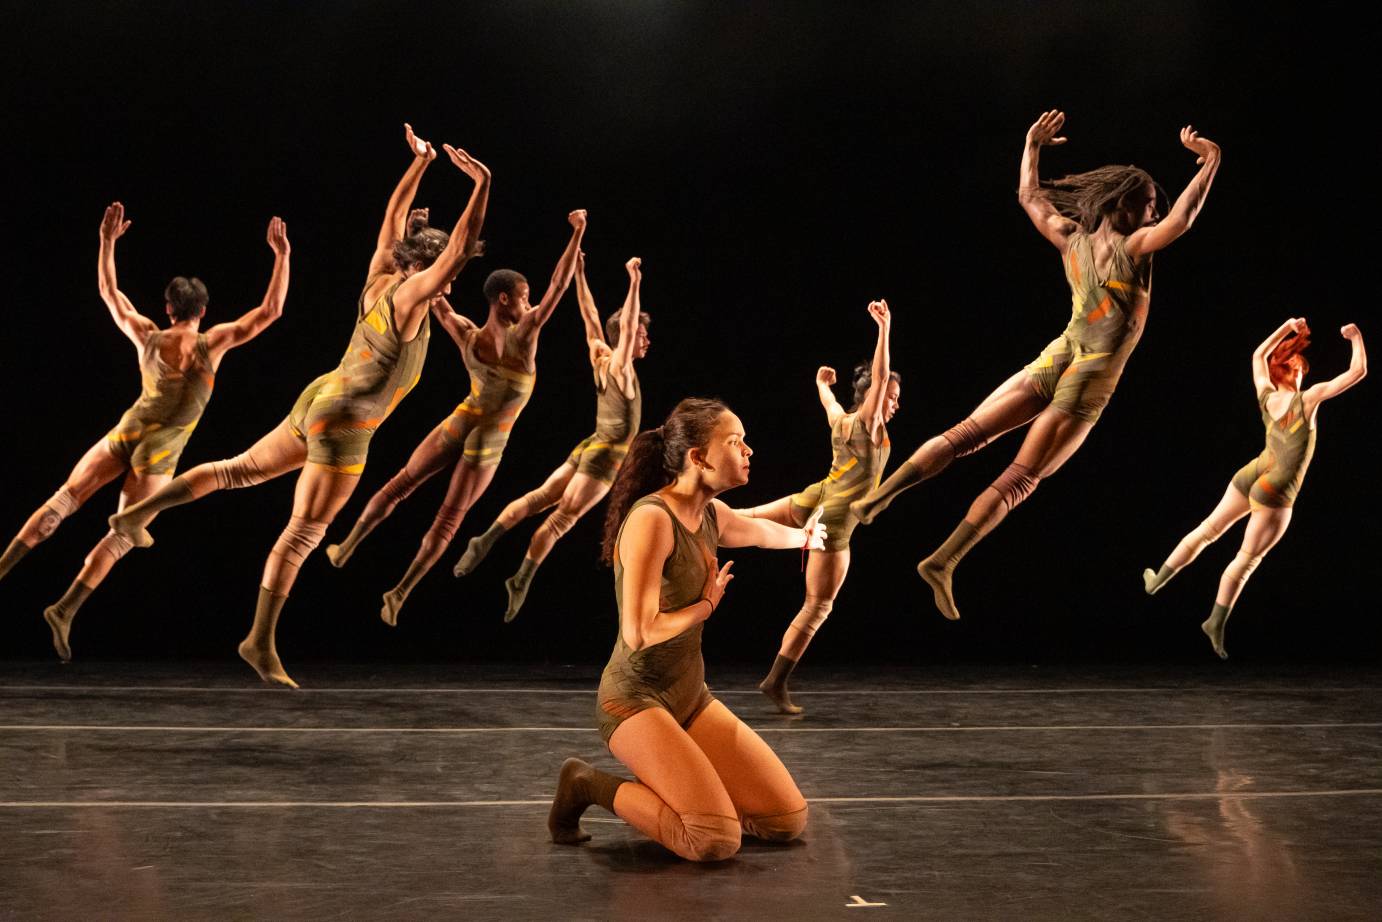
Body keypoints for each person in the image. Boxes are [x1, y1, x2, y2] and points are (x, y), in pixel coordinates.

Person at [109, 124, 491, 687]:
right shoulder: (411, 297)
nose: (452, 283)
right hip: (346, 423)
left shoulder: (380, 276)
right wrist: (481, 184)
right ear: (427, 268)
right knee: (304, 532)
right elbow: (456, 249)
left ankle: (138, 512)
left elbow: (393, 217)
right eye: (447, 275)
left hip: (319, 396)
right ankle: (259, 641)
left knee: (236, 471)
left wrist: (420, 163)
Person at [850, 110, 1221, 620]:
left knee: (964, 435)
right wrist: (1212, 160)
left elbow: (1029, 197)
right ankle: (942, 561)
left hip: (1057, 354)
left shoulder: (1071, 239)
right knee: (1021, 478)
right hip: (1090, 374)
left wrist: (1031, 146)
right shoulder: (1135, 248)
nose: (1154, 213)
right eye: (1149, 204)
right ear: (1124, 205)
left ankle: (876, 499)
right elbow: (1183, 219)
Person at [0, 204, 289, 661]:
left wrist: (106, 242)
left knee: (64, 500)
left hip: (126, 432)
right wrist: (282, 255)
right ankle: (64, 608)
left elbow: (109, 292)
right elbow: (270, 311)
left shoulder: (148, 335)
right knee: (122, 535)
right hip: (159, 451)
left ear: (168, 309)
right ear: (204, 311)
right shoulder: (212, 343)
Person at [546, 398, 826, 861]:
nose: (748, 450)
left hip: (689, 696)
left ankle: (691, 790)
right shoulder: (653, 519)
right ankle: (585, 783)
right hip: (633, 701)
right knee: (713, 840)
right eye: (735, 442)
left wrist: (806, 537)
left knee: (785, 820)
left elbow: (761, 531)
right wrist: (704, 608)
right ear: (698, 458)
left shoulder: (712, 514)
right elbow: (639, 632)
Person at [324, 210, 589, 626]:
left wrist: (415, 234)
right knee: (442, 516)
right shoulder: (524, 335)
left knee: (403, 488)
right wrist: (577, 233)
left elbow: (428, 287)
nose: (530, 303)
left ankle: (357, 555)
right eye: (524, 296)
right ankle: (387, 582)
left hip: (464, 420)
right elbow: (559, 286)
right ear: (504, 299)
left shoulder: (466, 332)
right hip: (487, 437)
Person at [1143, 319, 1366, 658]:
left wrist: (1286, 327)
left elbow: (1258, 355)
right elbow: (1357, 372)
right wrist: (1356, 337)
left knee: (1207, 530)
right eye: (1301, 368)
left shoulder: (1266, 396)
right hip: (1276, 487)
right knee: (1247, 559)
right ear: (1294, 371)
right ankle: (1215, 622)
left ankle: (1158, 579)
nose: (1303, 373)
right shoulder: (1308, 400)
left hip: (1253, 472)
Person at [452, 251, 649, 621]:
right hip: (604, 455)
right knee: (561, 520)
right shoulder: (620, 368)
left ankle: (484, 539)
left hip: (589, 444)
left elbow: (589, 313)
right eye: (641, 334)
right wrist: (634, 282)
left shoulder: (600, 354)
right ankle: (521, 579)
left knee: (539, 498)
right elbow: (623, 325)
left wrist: (581, 273)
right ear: (625, 337)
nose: (645, 340)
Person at [736, 300, 899, 714]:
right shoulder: (869, 424)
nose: (895, 403)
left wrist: (821, 383)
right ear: (873, 397)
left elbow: (828, 402)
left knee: (745, 518)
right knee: (818, 606)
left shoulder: (842, 420)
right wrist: (884, 328)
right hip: (834, 519)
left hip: (816, 497)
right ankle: (776, 681)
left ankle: (688, 521)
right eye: (891, 397)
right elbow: (880, 376)